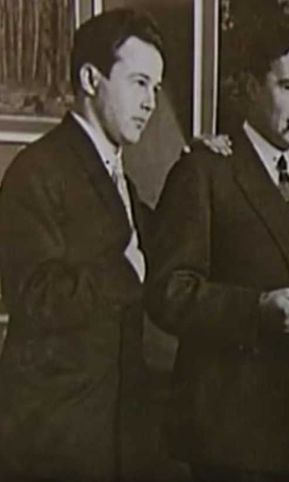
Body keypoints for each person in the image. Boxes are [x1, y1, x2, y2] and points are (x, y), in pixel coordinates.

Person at [145, 23, 289, 481]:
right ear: (252, 87)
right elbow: (168, 291)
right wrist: (255, 310)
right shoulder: (203, 170)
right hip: (232, 437)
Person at [0, 9, 164, 481]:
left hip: (113, 432)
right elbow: (35, 297)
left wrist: (202, 166)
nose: (151, 102)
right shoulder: (37, 170)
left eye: (156, 88)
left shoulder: (119, 177)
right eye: (139, 83)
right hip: (55, 437)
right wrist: (124, 273)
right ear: (92, 79)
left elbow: (161, 238)